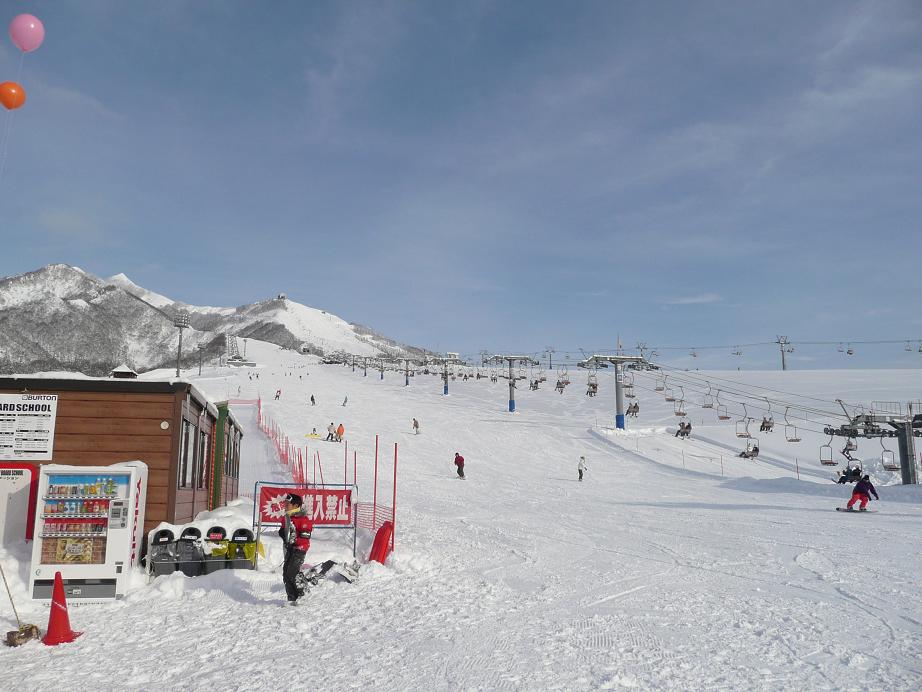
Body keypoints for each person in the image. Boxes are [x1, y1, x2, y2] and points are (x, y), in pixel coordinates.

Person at [278, 493, 313, 604]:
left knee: (292, 572)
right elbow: (283, 530)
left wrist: (295, 539)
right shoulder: (287, 517)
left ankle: (302, 594)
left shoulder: (303, 518)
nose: (285, 506)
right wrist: (283, 534)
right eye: (285, 504)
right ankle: (292, 598)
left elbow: (305, 536)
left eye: (288, 504)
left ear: (296, 505)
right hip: (290, 549)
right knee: (285, 573)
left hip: (300, 549)